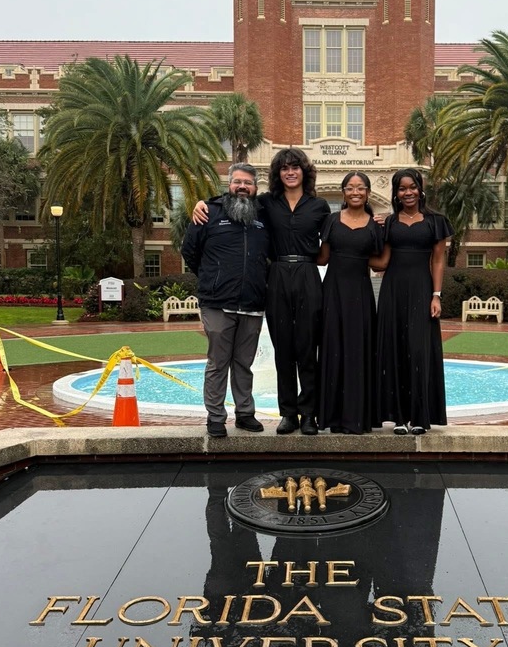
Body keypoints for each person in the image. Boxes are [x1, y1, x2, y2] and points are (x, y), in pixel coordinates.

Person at [193, 148, 330, 435]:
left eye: (295, 167)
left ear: (305, 172)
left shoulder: (319, 207)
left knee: (307, 349)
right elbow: (231, 203)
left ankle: (309, 415)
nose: (290, 172)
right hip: (277, 276)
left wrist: (373, 218)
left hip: (307, 275)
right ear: (278, 174)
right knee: (283, 351)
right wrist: (200, 203)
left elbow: (335, 239)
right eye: (284, 168)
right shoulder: (266, 204)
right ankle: (288, 414)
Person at [181, 163, 270, 438]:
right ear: (229, 184)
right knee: (218, 362)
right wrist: (213, 277)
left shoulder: (264, 216)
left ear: (256, 188)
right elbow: (190, 252)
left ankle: (245, 413)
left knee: (244, 362)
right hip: (217, 303)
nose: (242, 187)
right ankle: (216, 417)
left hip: (253, 303)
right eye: (237, 182)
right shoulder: (209, 213)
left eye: (248, 183)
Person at [373, 168, 452, 435]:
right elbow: (382, 261)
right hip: (392, 291)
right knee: (395, 351)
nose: (408, 193)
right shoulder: (390, 224)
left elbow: (438, 260)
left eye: (412, 187)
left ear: (420, 189)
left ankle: (420, 416)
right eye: (402, 188)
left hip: (422, 289)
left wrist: (436, 295)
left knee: (419, 351)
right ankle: (398, 418)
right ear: (396, 193)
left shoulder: (435, 221)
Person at [316, 172, 384, 434]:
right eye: (350, 188)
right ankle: (332, 417)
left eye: (361, 188)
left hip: (361, 294)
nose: (355, 192)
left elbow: (381, 262)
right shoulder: (331, 221)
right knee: (333, 350)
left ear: (367, 192)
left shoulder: (375, 226)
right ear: (343, 192)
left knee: (359, 352)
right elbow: (322, 259)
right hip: (332, 292)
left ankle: (357, 417)